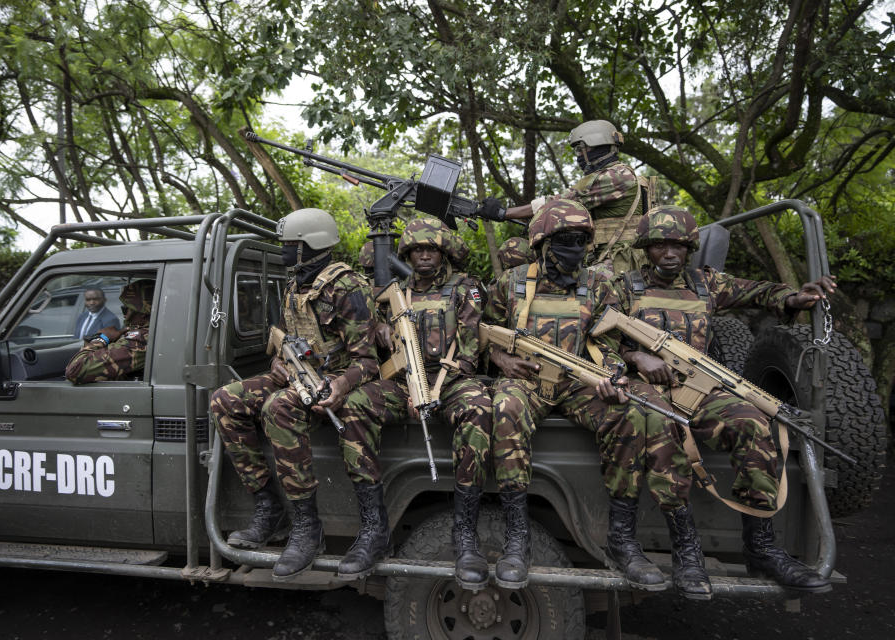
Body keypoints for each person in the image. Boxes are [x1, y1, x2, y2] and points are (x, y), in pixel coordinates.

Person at [607, 205, 835, 594]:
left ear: (690, 247)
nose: (671, 253)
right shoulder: (622, 287)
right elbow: (598, 335)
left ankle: (761, 546)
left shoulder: (705, 284)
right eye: (661, 245)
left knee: (752, 421)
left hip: (698, 387)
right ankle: (687, 551)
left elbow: (757, 291)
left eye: (679, 245)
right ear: (646, 248)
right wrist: (634, 356)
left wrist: (794, 297)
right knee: (663, 430)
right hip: (646, 389)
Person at [485, 198, 701, 595]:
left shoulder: (599, 284)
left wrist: (612, 374)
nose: (575, 249)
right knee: (505, 407)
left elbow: (613, 342)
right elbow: (480, 335)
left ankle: (621, 539)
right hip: (528, 380)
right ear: (542, 244)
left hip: (581, 382)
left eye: (581, 240)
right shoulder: (511, 283)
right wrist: (500, 358)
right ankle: (517, 539)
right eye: (565, 240)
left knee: (633, 413)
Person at [209, 208, 384, 582]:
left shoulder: (347, 288)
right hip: (298, 372)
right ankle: (268, 508)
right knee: (225, 400)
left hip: (334, 378)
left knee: (279, 408)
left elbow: (369, 362)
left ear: (309, 247)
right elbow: (288, 341)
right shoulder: (295, 286)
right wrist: (277, 362)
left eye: (290, 245)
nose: (285, 251)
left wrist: (339, 385)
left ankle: (307, 527)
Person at [351, 217, 493, 590]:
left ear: (443, 252)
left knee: (479, 409)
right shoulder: (392, 292)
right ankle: (373, 527)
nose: (425, 256)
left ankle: (465, 534)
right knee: (355, 405)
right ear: (408, 254)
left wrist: (430, 389)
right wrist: (380, 329)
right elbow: (363, 332)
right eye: (418, 250)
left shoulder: (464, 289)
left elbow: (468, 353)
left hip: (450, 381)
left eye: (431, 249)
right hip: (401, 383)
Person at [480, 119, 650, 275]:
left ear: (596, 147)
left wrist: (504, 213)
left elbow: (559, 203)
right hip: (611, 258)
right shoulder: (615, 174)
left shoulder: (616, 176)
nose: (578, 156)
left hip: (619, 263)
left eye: (580, 149)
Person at [65, 279, 154, 384]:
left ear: (143, 314)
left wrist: (102, 339)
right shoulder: (151, 334)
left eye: (126, 309)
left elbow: (75, 371)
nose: (124, 315)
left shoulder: (140, 341)